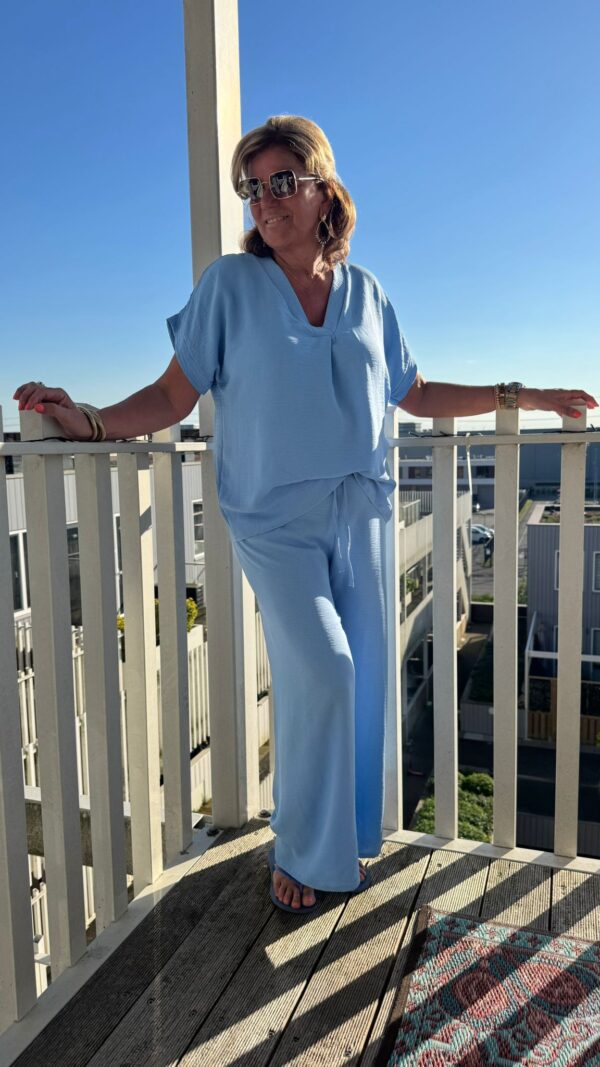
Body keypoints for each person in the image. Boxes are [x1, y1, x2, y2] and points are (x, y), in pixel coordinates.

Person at [14, 115, 597, 914]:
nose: (264, 200)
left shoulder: (369, 293)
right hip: (273, 518)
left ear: (325, 188)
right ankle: (299, 847)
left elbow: (417, 392)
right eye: (251, 187)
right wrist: (86, 419)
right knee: (323, 668)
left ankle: (347, 834)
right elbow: (171, 395)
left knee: (363, 679)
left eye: (281, 181)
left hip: (363, 511)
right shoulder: (229, 285)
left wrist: (522, 395)